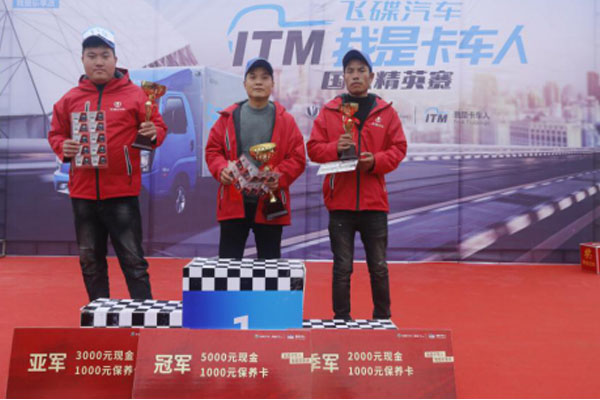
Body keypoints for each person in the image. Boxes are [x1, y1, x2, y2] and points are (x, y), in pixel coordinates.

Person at [47, 26, 167, 301]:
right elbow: (56, 134)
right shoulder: (69, 99)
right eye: (92, 56)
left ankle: (143, 316)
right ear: (82, 60)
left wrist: (153, 133)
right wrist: (62, 147)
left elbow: (158, 128)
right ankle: (98, 315)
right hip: (83, 194)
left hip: (122, 193)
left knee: (133, 261)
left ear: (115, 59)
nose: (98, 62)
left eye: (104, 55)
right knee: (90, 261)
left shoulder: (136, 95)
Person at [307, 49, 407, 320]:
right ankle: (341, 319)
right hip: (340, 203)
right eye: (350, 71)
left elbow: (399, 148)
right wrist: (335, 149)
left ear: (371, 77)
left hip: (374, 204)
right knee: (342, 267)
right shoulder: (330, 111)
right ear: (343, 77)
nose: (355, 76)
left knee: (379, 267)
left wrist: (375, 161)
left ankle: (382, 318)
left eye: (361, 71)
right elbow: (313, 149)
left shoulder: (386, 112)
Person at [205, 57, 306, 259]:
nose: (258, 82)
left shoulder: (285, 120)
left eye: (264, 77)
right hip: (234, 201)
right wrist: (221, 168)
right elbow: (213, 151)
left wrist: (278, 176)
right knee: (229, 266)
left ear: (272, 84)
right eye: (253, 77)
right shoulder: (228, 117)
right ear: (245, 84)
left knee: (270, 266)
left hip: (270, 201)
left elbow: (298, 157)